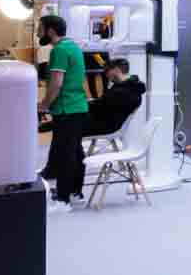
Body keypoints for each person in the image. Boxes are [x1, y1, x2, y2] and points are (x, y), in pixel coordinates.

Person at [38, 13, 90, 208]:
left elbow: (56, 83)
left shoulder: (59, 50)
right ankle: (75, 192)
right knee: (74, 152)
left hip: (67, 108)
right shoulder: (72, 47)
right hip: (77, 106)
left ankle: (63, 198)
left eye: (40, 29)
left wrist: (44, 104)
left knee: (66, 154)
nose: (38, 33)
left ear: (50, 31)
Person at [86, 58, 146, 137]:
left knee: (71, 123)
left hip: (105, 125)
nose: (106, 75)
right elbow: (103, 103)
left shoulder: (124, 91)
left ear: (116, 70)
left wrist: (85, 103)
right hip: (105, 121)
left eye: (107, 71)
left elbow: (100, 105)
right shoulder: (131, 88)